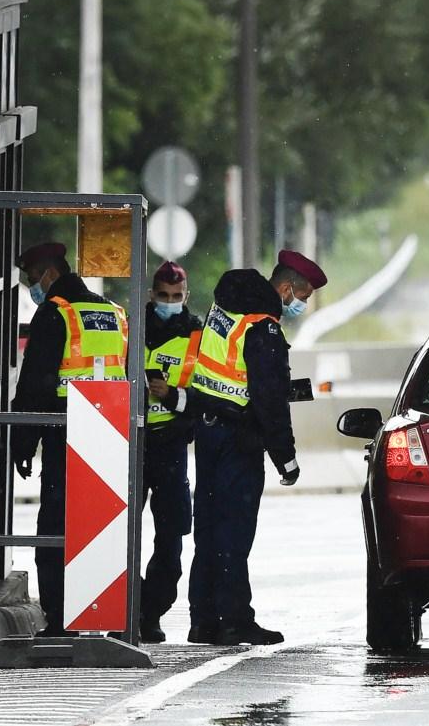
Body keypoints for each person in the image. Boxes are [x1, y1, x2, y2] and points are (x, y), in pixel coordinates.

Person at [186, 249, 326, 646]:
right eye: (302, 297)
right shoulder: (262, 327)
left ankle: (204, 619)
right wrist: (286, 457)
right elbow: (269, 400)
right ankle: (235, 620)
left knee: (209, 529)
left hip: (209, 431)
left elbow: (222, 370)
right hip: (238, 440)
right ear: (286, 289)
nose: (300, 305)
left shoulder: (225, 307)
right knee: (234, 532)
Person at [11, 242, 128, 637]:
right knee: (101, 525)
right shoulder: (113, 313)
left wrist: (22, 443)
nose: (33, 287)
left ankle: (61, 620)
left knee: (56, 528)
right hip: (109, 435)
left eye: (32, 279)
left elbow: (36, 384)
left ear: (48, 274)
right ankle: (104, 615)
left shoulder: (55, 313)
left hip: (66, 434)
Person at [136, 260, 203, 643]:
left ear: (186, 296)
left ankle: (152, 610)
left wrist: (173, 396)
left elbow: (208, 395)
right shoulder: (134, 328)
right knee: (120, 531)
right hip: (130, 442)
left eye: (176, 297)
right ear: (151, 295)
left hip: (172, 444)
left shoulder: (197, 335)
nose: (169, 302)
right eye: (162, 296)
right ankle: (127, 604)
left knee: (172, 531)